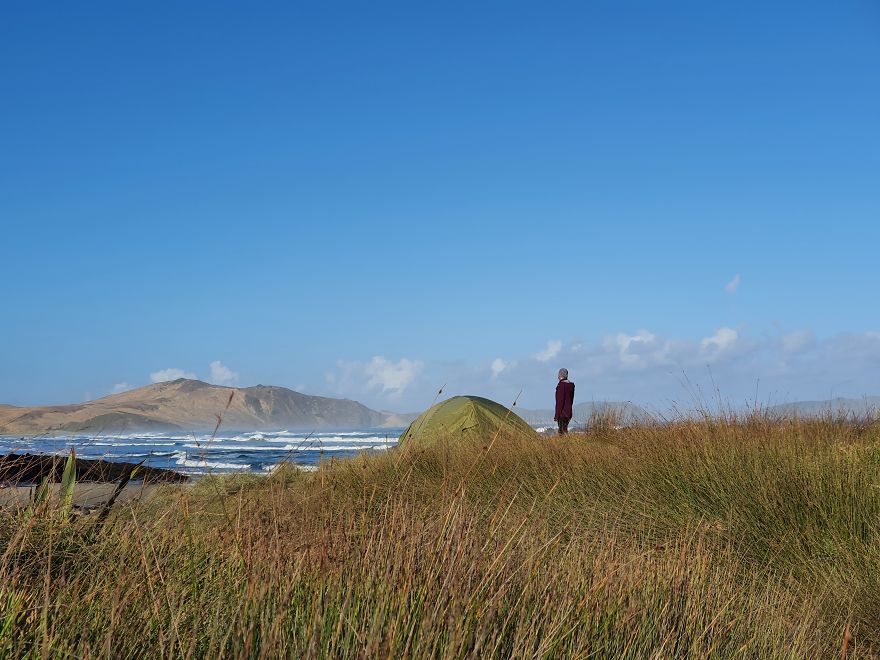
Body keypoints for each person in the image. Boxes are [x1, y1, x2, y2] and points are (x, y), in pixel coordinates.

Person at [554, 368, 575, 435]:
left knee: (562, 433)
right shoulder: (571, 386)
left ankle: (566, 445)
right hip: (568, 412)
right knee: (564, 431)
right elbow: (571, 400)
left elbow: (559, 402)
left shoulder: (561, 386)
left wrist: (557, 415)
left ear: (560, 375)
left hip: (562, 414)